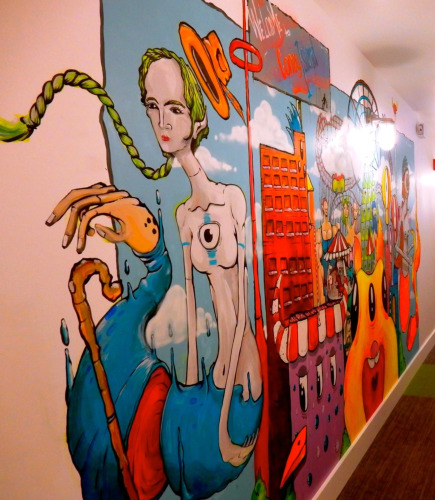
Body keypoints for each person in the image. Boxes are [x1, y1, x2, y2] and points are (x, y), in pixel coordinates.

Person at [138, 48, 262, 472]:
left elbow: (242, 288)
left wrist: (225, 415)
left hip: (243, 360)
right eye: (152, 107)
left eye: (175, 109)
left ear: (198, 121)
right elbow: (192, 298)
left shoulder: (232, 200)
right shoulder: (184, 216)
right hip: (213, 366)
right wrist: (191, 375)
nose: (162, 122)